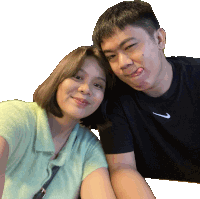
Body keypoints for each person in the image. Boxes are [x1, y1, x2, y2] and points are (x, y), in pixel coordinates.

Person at [92, 0, 200, 198]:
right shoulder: (114, 100)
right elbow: (122, 168)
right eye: (111, 56)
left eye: (131, 46)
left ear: (159, 39)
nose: (123, 63)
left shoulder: (196, 76)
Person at [0, 46, 117, 199]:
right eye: (77, 77)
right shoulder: (14, 115)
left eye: (98, 85)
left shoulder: (89, 147)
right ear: (59, 78)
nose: (86, 89)